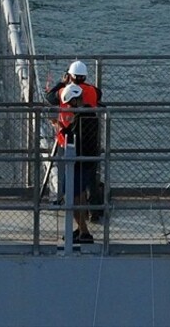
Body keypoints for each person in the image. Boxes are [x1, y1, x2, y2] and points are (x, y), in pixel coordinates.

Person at [57, 83, 100, 243]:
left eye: (70, 103)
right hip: (87, 162)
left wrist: (60, 128)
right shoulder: (90, 114)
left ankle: (84, 232)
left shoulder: (82, 118)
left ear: (74, 101)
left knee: (72, 196)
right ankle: (80, 229)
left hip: (78, 162)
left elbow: (74, 137)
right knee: (80, 195)